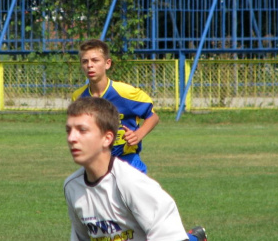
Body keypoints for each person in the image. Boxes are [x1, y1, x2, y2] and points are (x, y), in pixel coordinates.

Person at [64, 97, 207, 241]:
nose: (71, 138)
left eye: (82, 130)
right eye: (69, 130)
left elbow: (172, 236)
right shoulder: (72, 186)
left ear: (107, 138)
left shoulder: (130, 182)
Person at [72, 39, 159, 174]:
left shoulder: (125, 93)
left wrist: (138, 134)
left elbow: (153, 116)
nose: (90, 65)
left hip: (128, 162)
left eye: (95, 60)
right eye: (85, 61)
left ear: (107, 64)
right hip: (96, 164)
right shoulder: (78, 98)